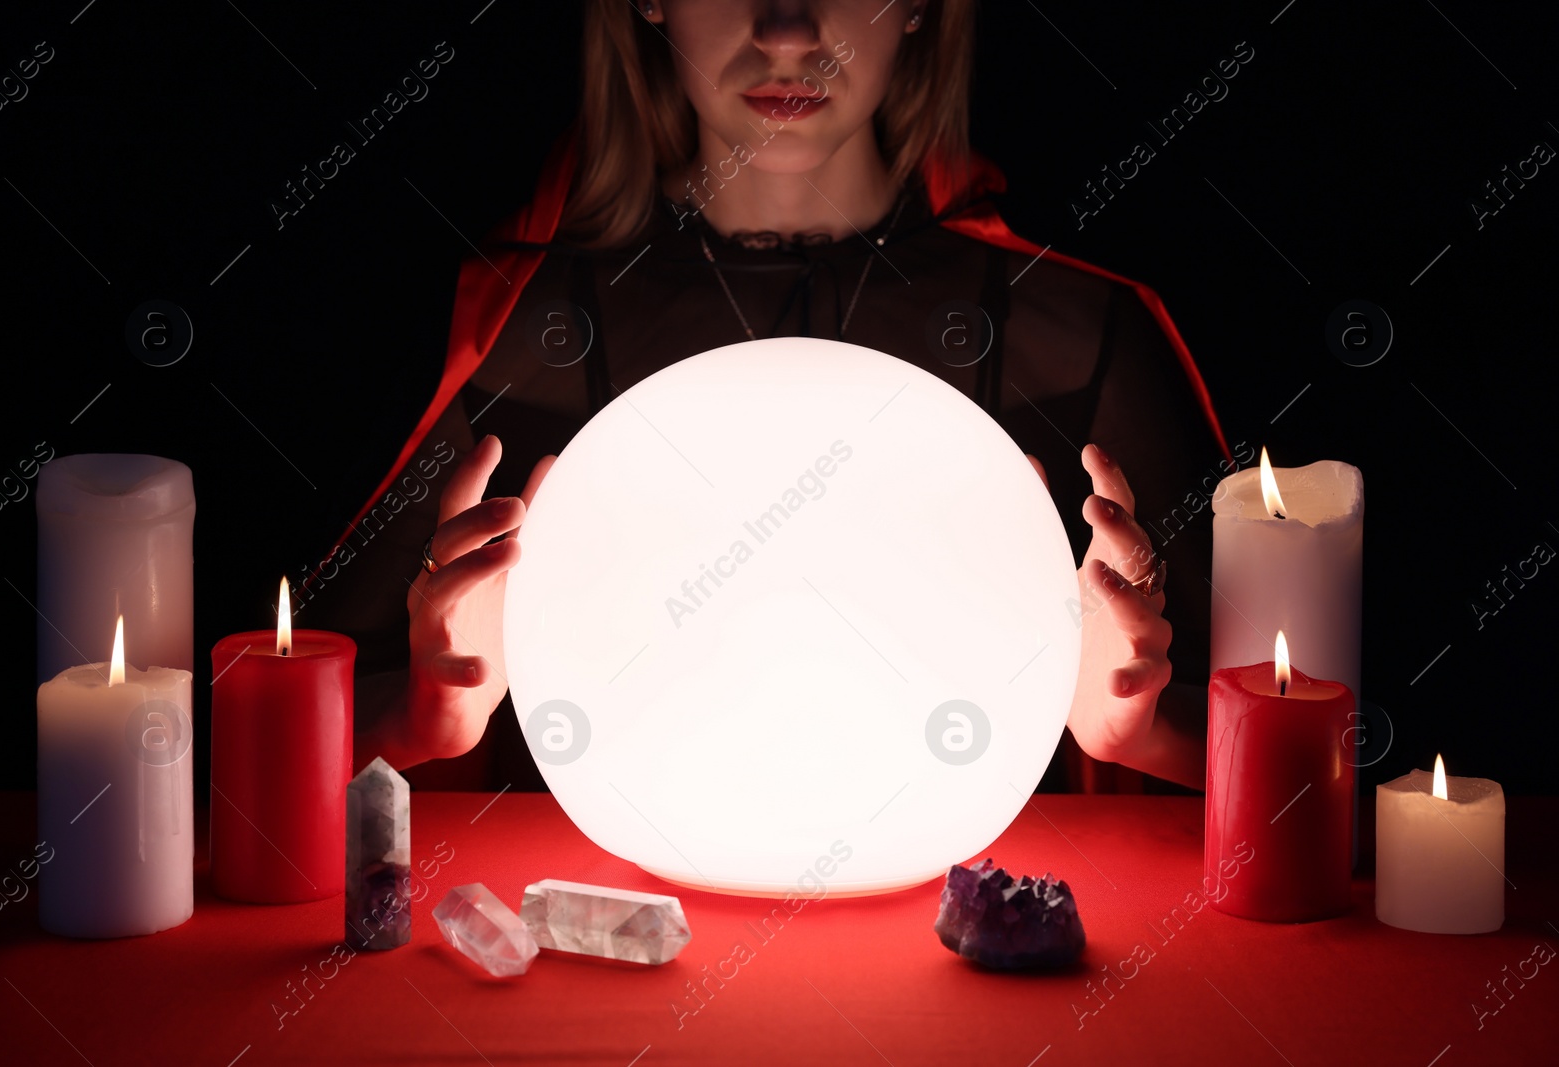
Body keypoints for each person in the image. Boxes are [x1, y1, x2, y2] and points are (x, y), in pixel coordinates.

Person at [301, 0, 1233, 794]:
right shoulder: (501, 330)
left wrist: (1137, 731)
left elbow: (1314, 763)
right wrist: (426, 714)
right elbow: (248, 757)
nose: (787, 31)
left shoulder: (1075, 326)